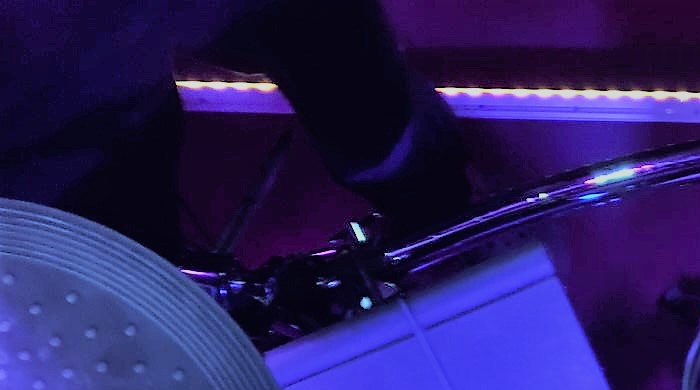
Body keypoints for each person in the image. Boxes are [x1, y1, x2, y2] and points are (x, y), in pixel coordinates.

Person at [0, 0, 470, 260]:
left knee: (368, 113)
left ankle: (444, 218)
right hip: (63, 142)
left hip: (66, 132)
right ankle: (440, 213)